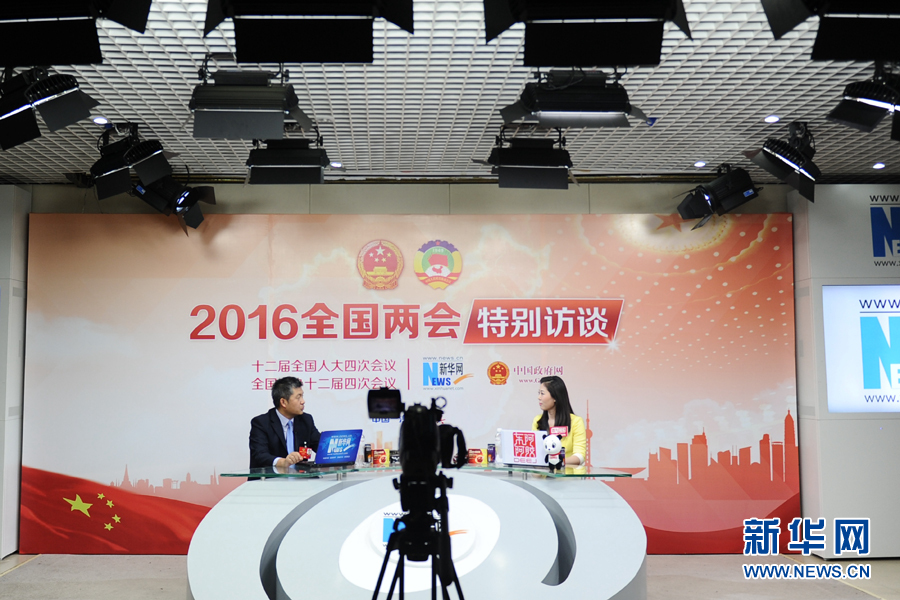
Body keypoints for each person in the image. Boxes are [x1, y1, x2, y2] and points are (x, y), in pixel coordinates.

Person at [249, 377, 321, 468]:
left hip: (300, 476)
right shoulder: (261, 423)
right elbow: (260, 455)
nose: (303, 401)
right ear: (283, 402)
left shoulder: (306, 420)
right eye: (298, 397)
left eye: (302, 396)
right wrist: (283, 462)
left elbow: (320, 446)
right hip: (271, 476)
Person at [532, 375, 586, 467]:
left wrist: (558, 461)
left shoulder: (576, 422)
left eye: (542, 393)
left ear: (555, 397)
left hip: (567, 474)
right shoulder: (537, 420)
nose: (539, 397)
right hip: (542, 474)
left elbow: (579, 457)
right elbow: (536, 453)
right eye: (539, 393)